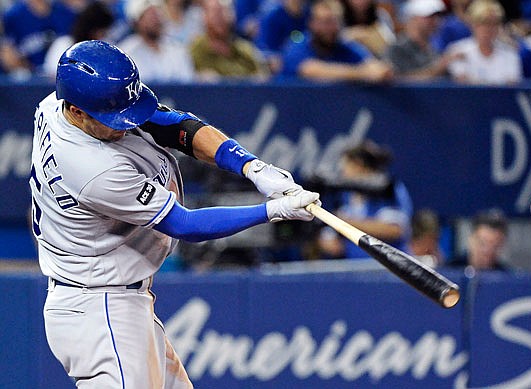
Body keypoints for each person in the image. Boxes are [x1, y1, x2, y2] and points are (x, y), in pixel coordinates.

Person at [30, 40, 320, 388]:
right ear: (76, 111)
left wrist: (251, 167)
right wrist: (271, 210)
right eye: (113, 118)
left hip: (117, 300)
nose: (125, 124)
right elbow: (185, 223)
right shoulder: (91, 168)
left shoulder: (57, 105)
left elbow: (171, 126)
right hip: (99, 309)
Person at [316, 140, 413, 259]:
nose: (343, 172)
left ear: (358, 164)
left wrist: (341, 223)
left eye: (346, 166)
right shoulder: (346, 193)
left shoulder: (388, 189)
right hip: (354, 267)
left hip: (388, 267)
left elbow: (394, 230)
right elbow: (335, 227)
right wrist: (329, 238)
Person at [278, 0, 393, 83]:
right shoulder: (297, 46)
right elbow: (311, 70)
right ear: (312, 24)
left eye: (335, 22)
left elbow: (377, 68)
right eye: (325, 22)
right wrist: (362, 73)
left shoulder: (345, 47)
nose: (329, 28)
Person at [445, 0, 523, 84]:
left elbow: (512, 84)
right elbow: (463, 82)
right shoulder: (457, 50)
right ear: (472, 24)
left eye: (494, 24)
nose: (489, 28)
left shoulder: (510, 53)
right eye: (484, 23)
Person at [190, 0, 270, 81]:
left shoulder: (245, 49)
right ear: (205, 16)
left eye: (225, 12)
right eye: (215, 13)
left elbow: (264, 77)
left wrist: (255, 79)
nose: (220, 19)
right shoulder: (195, 50)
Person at [118, 0, 196, 83]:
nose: (155, 20)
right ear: (136, 22)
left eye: (157, 14)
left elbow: (188, 84)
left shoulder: (178, 50)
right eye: (149, 15)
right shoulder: (126, 53)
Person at [385, 0, 457, 81]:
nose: (436, 21)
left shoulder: (434, 49)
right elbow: (398, 80)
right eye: (430, 17)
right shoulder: (396, 49)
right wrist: (438, 69)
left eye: (438, 17)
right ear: (413, 18)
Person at [42, 1, 115, 77]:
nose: (103, 35)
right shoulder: (64, 44)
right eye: (102, 32)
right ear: (93, 29)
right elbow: (52, 77)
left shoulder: (107, 47)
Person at [2, 0, 77, 74]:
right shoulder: (13, 16)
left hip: (57, 74)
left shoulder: (66, 13)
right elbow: (7, 56)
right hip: (27, 77)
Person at [446, 209, 509, 273]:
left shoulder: (506, 276)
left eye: (494, 246)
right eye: (483, 243)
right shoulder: (449, 270)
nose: (487, 251)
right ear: (471, 239)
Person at [254, 0, 309, 72]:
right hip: (280, 62)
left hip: (303, 60)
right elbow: (264, 48)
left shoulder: (309, 16)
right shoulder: (273, 17)